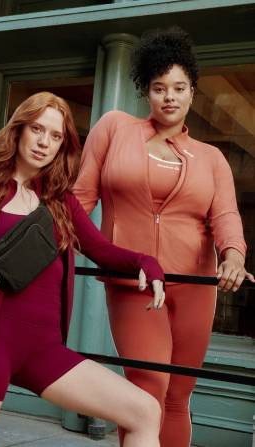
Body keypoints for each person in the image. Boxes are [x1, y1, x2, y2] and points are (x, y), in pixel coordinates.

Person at [0, 91, 167, 447]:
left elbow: (101, 250)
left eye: (56, 136)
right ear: (19, 131)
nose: (44, 142)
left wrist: (146, 263)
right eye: (37, 129)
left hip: (44, 350)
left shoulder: (61, 203)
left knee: (145, 410)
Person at [73, 27, 253, 446]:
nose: (169, 97)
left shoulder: (212, 159)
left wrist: (233, 256)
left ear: (192, 92)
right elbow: (79, 202)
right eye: (159, 88)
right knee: (147, 390)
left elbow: (225, 216)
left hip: (196, 286)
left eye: (179, 87)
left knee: (177, 396)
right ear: (146, 91)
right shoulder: (115, 129)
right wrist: (51, 245)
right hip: (134, 282)